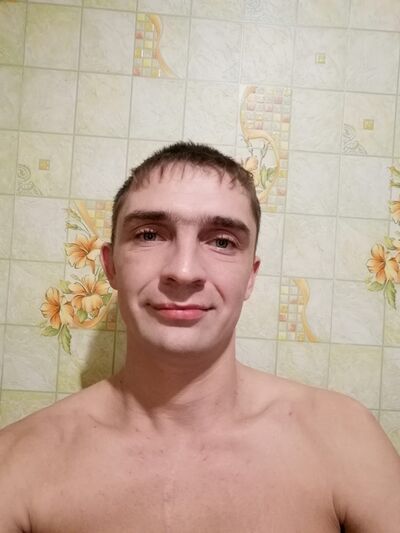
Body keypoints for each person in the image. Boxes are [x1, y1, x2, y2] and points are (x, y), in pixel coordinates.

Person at [0, 141, 399, 533]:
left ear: (250, 277)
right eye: (149, 235)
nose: (184, 271)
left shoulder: (344, 439)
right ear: (112, 266)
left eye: (222, 241)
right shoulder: (19, 463)